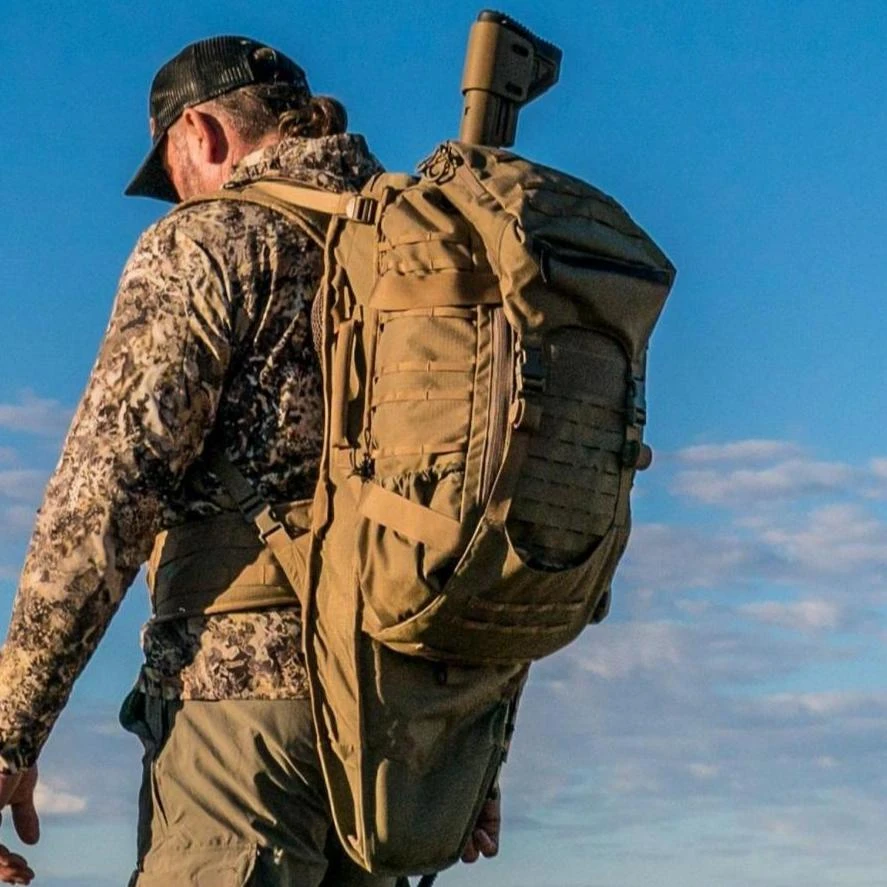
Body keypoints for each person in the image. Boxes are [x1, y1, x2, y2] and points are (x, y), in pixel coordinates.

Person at [0, 35, 501, 886]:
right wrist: (476, 744)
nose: (178, 199)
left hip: (239, 721)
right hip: (399, 727)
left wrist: (12, 729)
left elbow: (104, 498)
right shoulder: (428, 258)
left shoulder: (211, 239)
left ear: (200, 132)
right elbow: (497, 493)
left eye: (173, 175)